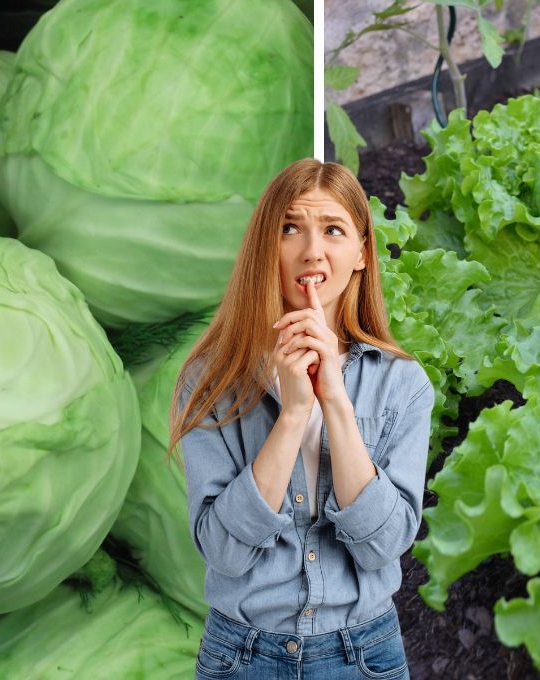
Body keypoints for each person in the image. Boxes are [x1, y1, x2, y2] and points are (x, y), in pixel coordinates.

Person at [167, 158, 434, 679]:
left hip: (364, 656)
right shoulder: (209, 381)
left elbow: (385, 544)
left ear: (361, 253)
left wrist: (334, 402)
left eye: (333, 230)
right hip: (241, 657)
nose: (312, 250)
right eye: (290, 228)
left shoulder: (401, 383)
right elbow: (222, 550)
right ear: (267, 245)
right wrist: (292, 415)